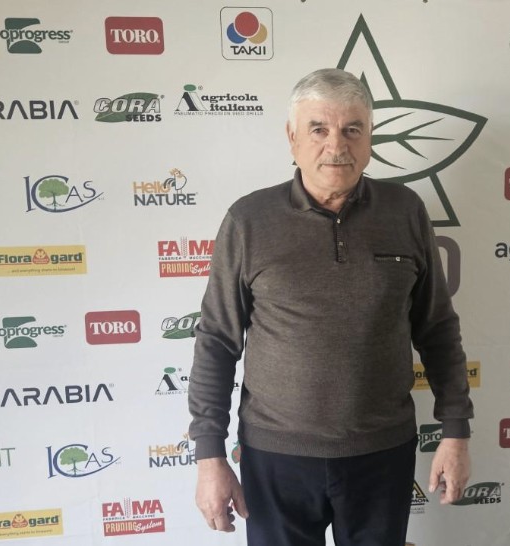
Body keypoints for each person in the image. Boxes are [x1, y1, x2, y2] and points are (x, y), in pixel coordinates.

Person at [188, 67, 474, 546]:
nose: (336, 145)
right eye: (318, 129)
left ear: (370, 138)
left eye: (352, 129)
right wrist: (209, 455)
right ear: (292, 137)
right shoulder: (248, 220)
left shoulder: (405, 211)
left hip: (382, 453)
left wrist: (456, 431)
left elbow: (438, 329)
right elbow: (216, 341)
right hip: (276, 457)